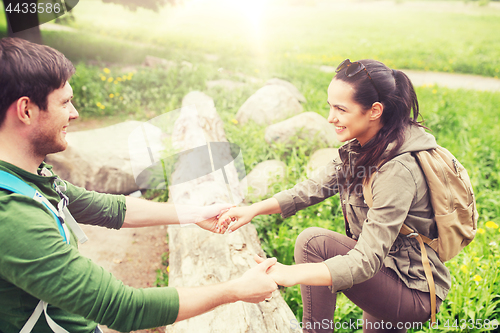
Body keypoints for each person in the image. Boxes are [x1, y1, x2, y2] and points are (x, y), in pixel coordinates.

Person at [0, 37, 278, 333]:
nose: (75, 113)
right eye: (65, 102)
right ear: (26, 110)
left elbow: (106, 208)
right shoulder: (14, 217)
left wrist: (195, 213)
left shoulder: (24, 176)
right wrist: (236, 291)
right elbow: (123, 308)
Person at [217, 59, 451, 332]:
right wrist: (253, 209)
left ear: (375, 111)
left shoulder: (397, 170)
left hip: (411, 291)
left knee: (313, 243)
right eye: (330, 106)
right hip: (388, 272)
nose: (330, 118)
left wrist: (290, 274)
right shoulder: (365, 146)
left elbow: (365, 260)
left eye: (341, 109)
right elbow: (311, 188)